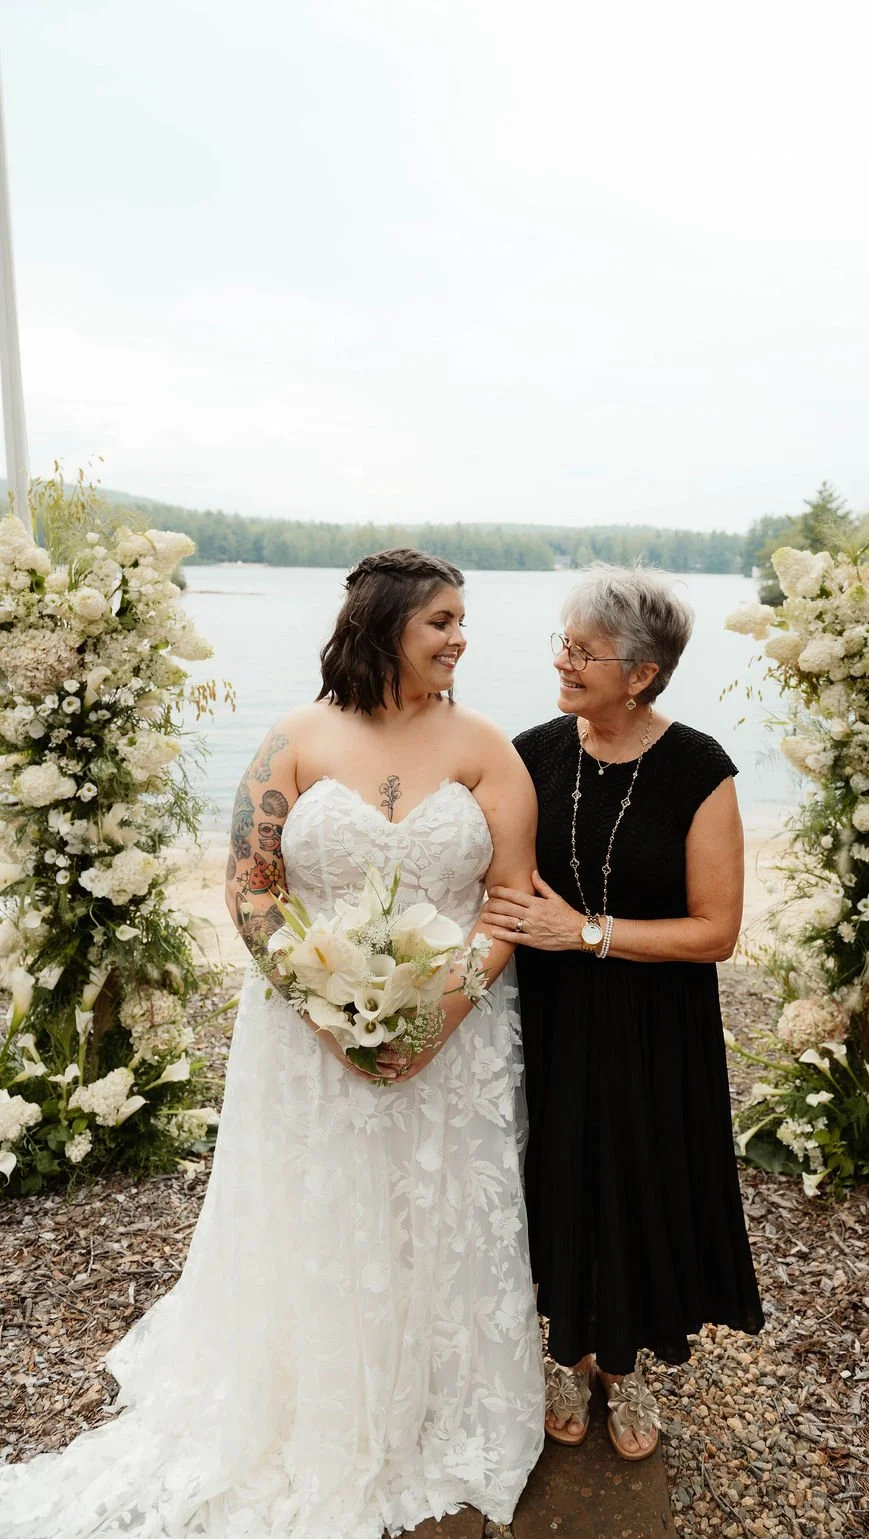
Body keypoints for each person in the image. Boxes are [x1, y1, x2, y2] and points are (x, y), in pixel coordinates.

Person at [0, 548, 545, 1539]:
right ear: (383, 628)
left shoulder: (486, 748)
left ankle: (435, 1398)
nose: (461, 637)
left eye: (463, 619)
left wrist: (436, 1018)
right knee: (319, 1206)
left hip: (454, 1037)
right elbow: (251, 887)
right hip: (307, 1037)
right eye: (442, 621)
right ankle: (311, 1394)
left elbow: (510, 903)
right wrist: (328, 1011)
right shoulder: (294, 737)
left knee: (432, 1206)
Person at [482, 564, 763, 1463]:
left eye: (582, 650)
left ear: (641, 673)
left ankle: (625, 1361)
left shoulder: (700, 768)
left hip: (652, 1020)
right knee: (555, 1172)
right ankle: (566, 1349)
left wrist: (588, 932)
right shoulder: (529, 752)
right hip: (550, 1013)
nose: (562, 660)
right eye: (562, 642)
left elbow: (716, 931)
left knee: (638, 1176)